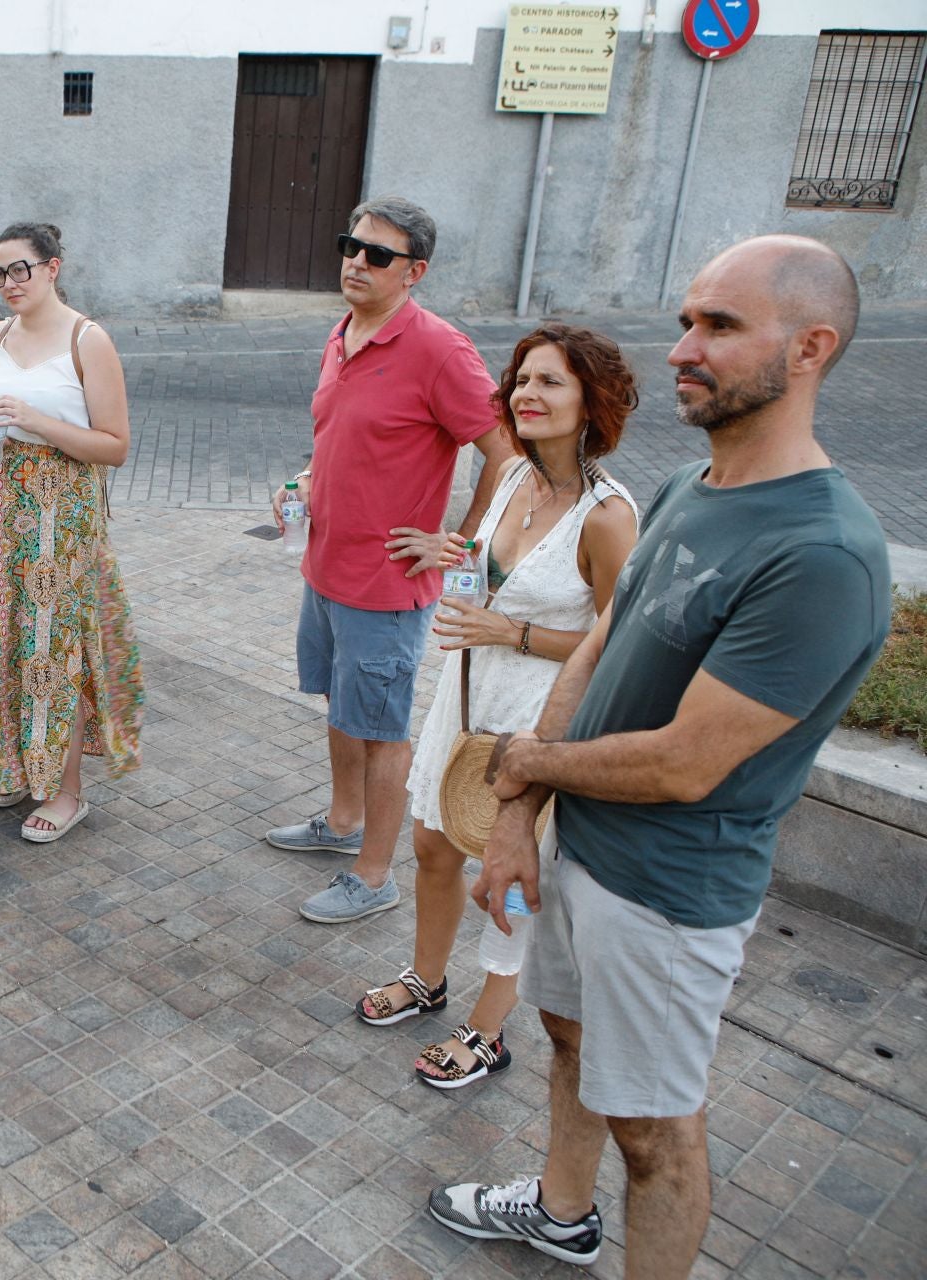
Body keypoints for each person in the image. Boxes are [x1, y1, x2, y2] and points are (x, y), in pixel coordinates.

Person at [432, 236, 890, 1276]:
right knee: (568, 1040)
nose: (684, 347)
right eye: (688, 319)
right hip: (582, 849)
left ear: (810, 347)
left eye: (720, 326)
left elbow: (687, 764)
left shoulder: (822, 553)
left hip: (671, 893)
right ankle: (557, 1210)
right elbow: (602, 639)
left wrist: (522, 764)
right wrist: (519, 812)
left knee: (656, 1132)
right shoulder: (694, 482)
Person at [354, 325, 638, 1092]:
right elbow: (489, 570)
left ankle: (487, 1029)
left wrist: (509, 630)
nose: (528, 395)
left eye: (551, 382)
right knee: (434, 844)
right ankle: (427, 978)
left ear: (592, 404)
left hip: (537, 719)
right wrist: (455, 555)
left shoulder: (607, 517)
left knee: (509, 876)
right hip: (466, 695)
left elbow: (618, 643)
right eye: (522, 380)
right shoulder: (514, 477)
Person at [265, 196, 516, 924]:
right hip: (326, 567)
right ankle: (342, 826)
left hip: (386, 586)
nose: (356, 262)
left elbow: (504, 452)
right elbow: (340, 435)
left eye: (378, 254)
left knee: (381, 729)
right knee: (342, 709)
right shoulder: (343, 333)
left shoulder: (440, 349)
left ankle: (375, 876)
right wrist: (308, 484)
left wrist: (460, 543)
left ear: (416, 271)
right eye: (352, 245)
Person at [0, 222, 143, 841]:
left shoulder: (89, 339)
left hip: (59, 521)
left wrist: (38, 420)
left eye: (20, 270)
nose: (8, 284)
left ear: (52, 267)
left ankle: (66, 792)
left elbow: (114, 446)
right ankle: (12, 766)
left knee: (52, 651)